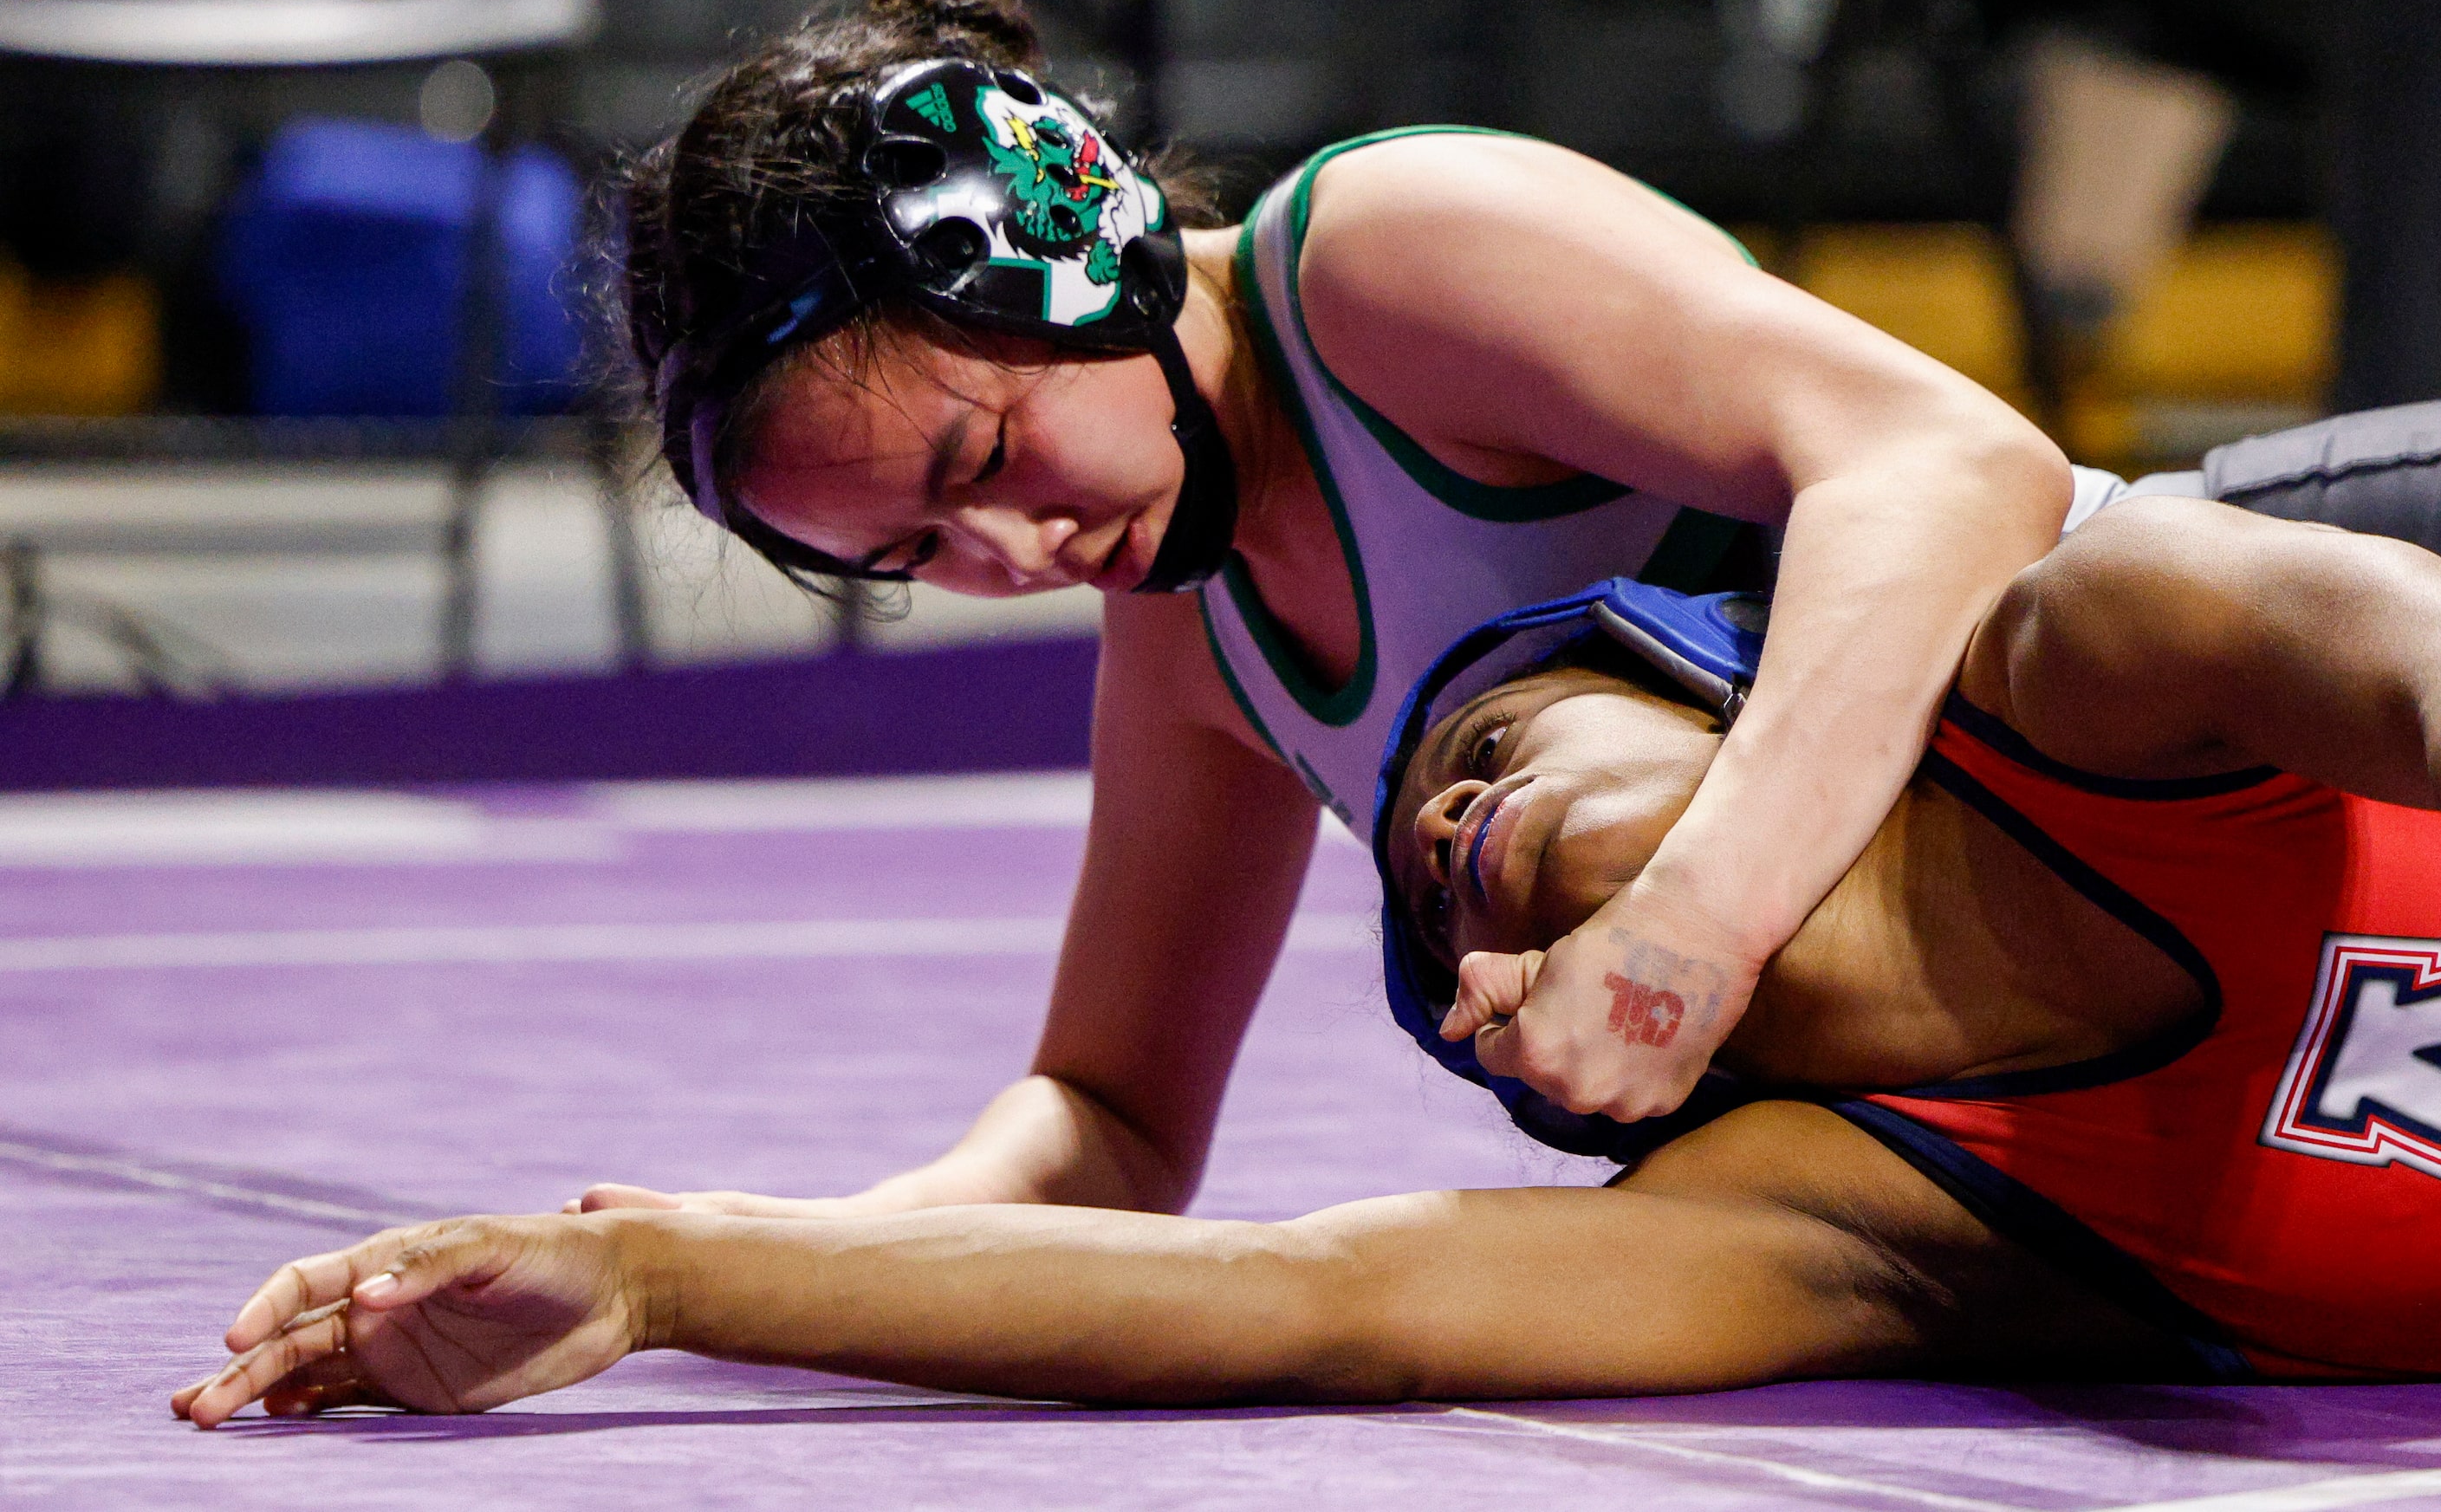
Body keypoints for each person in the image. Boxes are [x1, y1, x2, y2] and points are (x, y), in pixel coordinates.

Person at [172, 496, 2441, 1424]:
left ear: (1732, 699)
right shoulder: (1859, 1215)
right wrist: (666, 1269)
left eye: (1496, 743)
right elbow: (1305, 1294)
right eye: (1433, 881)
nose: (1444, 824)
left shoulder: (2094, 663)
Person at [591, 0, 2077, 1232]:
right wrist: (780, 1245)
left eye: (988, 449)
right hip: (2048, 1022)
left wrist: (1696, 923)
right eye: (921, 554)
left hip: (2209, 698)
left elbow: (1949, 462)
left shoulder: (1383, 263)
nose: (1020, 553)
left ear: (1067, 243)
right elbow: (1112, 1120)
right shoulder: (1187, 627)